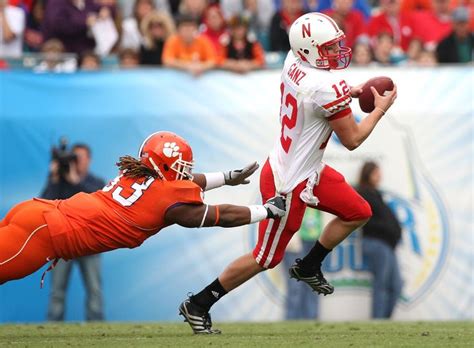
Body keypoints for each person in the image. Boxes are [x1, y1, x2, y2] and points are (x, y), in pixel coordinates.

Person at [180, 12, 397, 334]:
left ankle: (309, 264)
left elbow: (320, 93)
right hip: (288, 182)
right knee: (265, 258)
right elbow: (352, 140)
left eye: (336, 44)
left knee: (358, 211)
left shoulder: (293, 60)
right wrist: (379, 109)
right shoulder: (324, 86)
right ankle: (198, 303)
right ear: (309, 50)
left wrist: (351, 91)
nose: (337, 52)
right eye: (329, 47)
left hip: (307, 170)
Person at [0, 131, 286, 289]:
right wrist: (266, 211)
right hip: (44, 231)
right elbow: (221, 216)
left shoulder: (136, 173)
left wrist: (226, 177)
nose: (186, 173)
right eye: (181, 167)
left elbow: (182, 183)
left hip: (36, 215)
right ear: (165, 166)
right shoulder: (168, 201)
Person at [40, 143, 105, 321]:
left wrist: (76, 181)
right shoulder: (58, 182)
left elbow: (99, 205)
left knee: (94, 289)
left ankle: (99, 330)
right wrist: (53, 178)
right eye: (73, 158)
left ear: (89, 160)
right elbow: (43, 203)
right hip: (62, 243)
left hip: (89, 243)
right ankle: (53, 329)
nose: (76, 162)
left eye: (80, 158)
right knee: (57, 291)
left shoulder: (96, 183)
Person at [356, 161, 403, 319]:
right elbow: (364, 219)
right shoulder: (363, 193)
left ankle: (384, 321)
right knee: (381, 284)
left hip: (387, 245)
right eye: (376, 172)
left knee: (395, 285)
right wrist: (388, 229)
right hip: (376, 243)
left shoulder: (376, 194)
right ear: (367, 174)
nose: (379, 176)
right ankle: (378, 322)